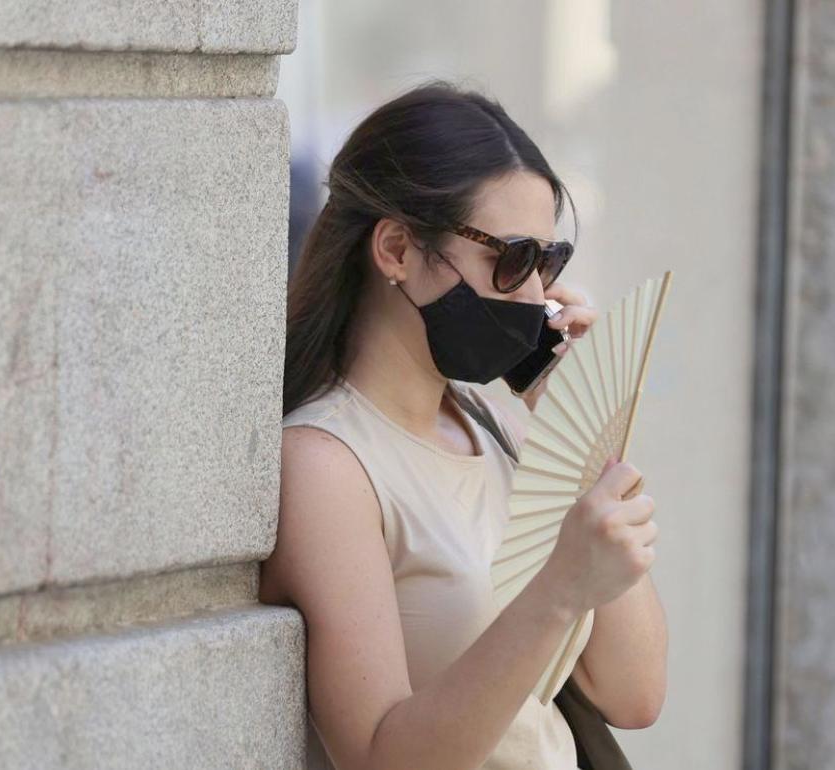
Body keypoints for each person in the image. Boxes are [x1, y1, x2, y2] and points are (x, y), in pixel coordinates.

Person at [259, 79, 667, 770]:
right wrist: (561, 586)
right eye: (511, 260)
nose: (537, 295)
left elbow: (635, 696)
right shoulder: (327, 464)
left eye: (548, 262)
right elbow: (381, 758)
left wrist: (577, 432)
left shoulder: (497, 433)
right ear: (395, 251)